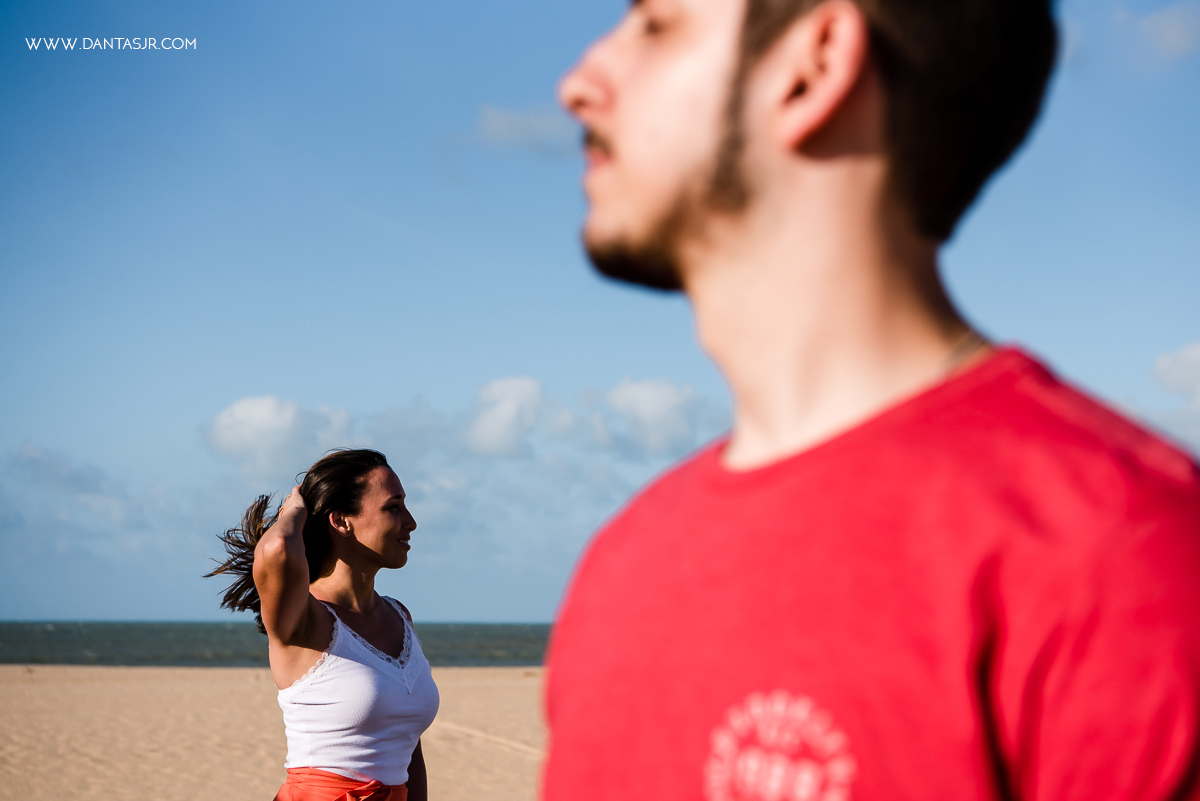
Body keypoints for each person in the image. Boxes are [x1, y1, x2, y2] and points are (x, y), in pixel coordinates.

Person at [544, 0, 1200, 799]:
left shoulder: (1125, 553)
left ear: (814, 68)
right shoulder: (622, 564)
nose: (577, 83)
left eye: (655, 26)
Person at [207, 449, 437, 801]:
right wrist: (294, 511)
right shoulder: (303, 621)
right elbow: (278, 548)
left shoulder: (399, 617)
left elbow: (407, 748)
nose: (411, 521)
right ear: (342, 521)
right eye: (393, 507)